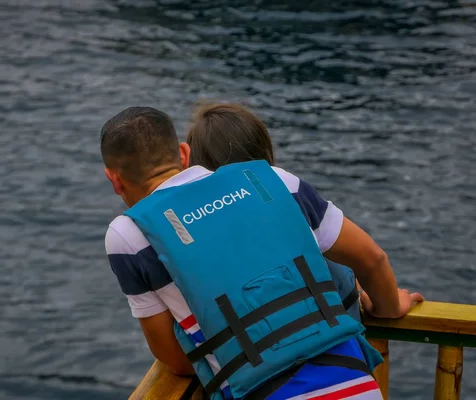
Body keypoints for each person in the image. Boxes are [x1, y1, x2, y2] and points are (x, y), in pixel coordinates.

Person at [101, 106, 423, 399]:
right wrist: (392, 307)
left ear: (114, 180)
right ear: (184, 155)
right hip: (357, 385)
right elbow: (372, 258)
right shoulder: (274, 179)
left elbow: (177, 361)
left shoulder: (127, 235)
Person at [185, 102, 364, 322]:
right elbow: (371, 258)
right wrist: (388, 305)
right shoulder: (289, 191)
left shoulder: (185, 226)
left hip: (245, 348)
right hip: (322, 336)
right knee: (335, 261)